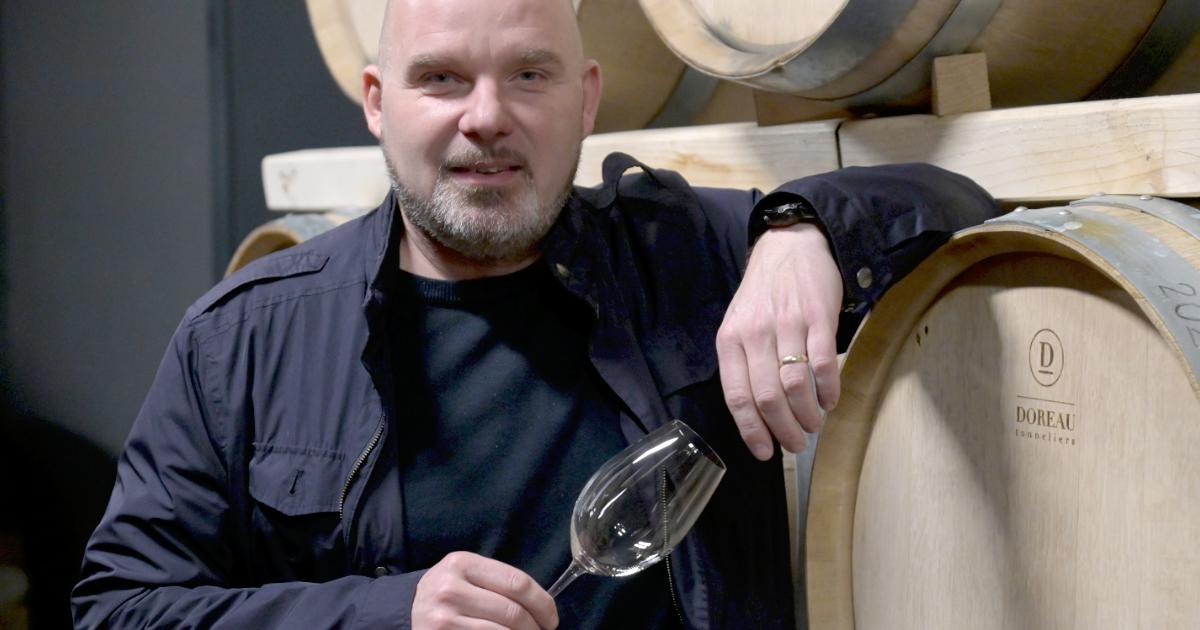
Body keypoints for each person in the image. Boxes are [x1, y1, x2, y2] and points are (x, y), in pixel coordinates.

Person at [72, 0, 1000, 627]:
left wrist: (804, 232)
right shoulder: (242, 339)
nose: (487, 117)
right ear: (377, 103)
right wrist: (383, 615)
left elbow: (960, 202)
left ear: (586, 99)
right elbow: (119, 608)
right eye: (442, 79)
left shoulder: (684, 255)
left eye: (529, 76)